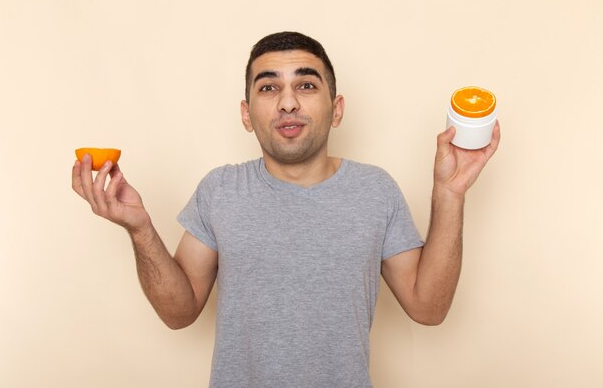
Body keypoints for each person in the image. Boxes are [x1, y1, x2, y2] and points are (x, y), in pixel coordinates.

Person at [72, 31, 500, 388]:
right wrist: (141, 229)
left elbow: (429, 309)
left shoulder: (375, 190)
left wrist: (450, 192)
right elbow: (179, 313)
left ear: (337, 110)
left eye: (307, 85)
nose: (288, 103)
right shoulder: (220, 189)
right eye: (269, 87)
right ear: (246, 113)